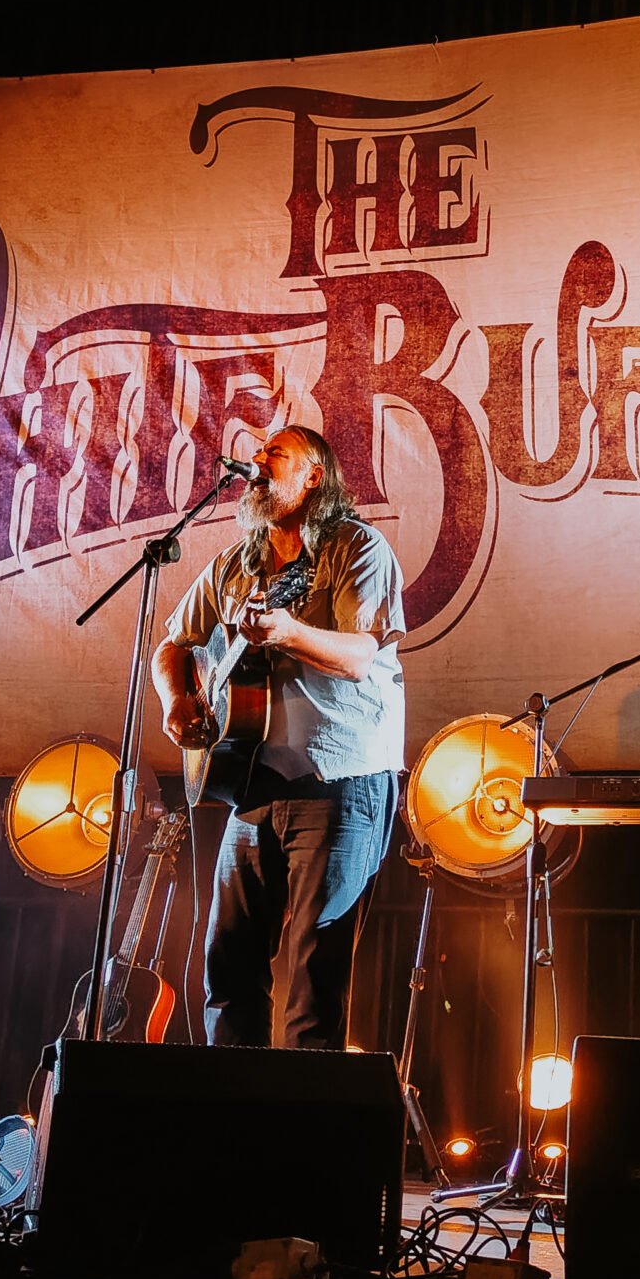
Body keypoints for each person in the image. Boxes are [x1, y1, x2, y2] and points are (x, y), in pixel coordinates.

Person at [151, 425, 405, 1048]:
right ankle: (233, 1114)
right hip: (250, 782)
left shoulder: (357, 548)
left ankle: (299, 1131)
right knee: (229, 964)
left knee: (314, 975)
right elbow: (171, 646)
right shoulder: (237, 561)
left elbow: (358, 656)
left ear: (313, 475)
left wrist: (288, 631)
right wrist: (179, 698)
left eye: (275, 454)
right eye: (257, 453)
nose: (258, 459)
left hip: (340, 780)